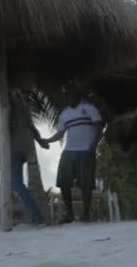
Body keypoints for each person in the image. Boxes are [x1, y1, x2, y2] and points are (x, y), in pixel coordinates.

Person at [42, 87, 103, 223]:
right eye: (66, 97)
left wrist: (94, 144)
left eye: (70, 96)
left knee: (86, 184)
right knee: (63, 182)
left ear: (78, 96)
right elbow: (60, 134)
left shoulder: (89, 108)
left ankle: (86, 215)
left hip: (86, 150)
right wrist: (47, 140)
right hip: (68, 151)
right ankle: (70, 215)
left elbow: (99, 127)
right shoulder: (65, 113)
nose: (67, 99)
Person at [9, 93, 49, 226]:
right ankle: (35, 214)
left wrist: (40, 141)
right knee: (16, 184)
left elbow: (31, 126)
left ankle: (37, 216)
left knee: (31, 180)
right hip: (13, 148)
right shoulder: (6, 101)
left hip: (26, 145)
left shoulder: (19, 101)